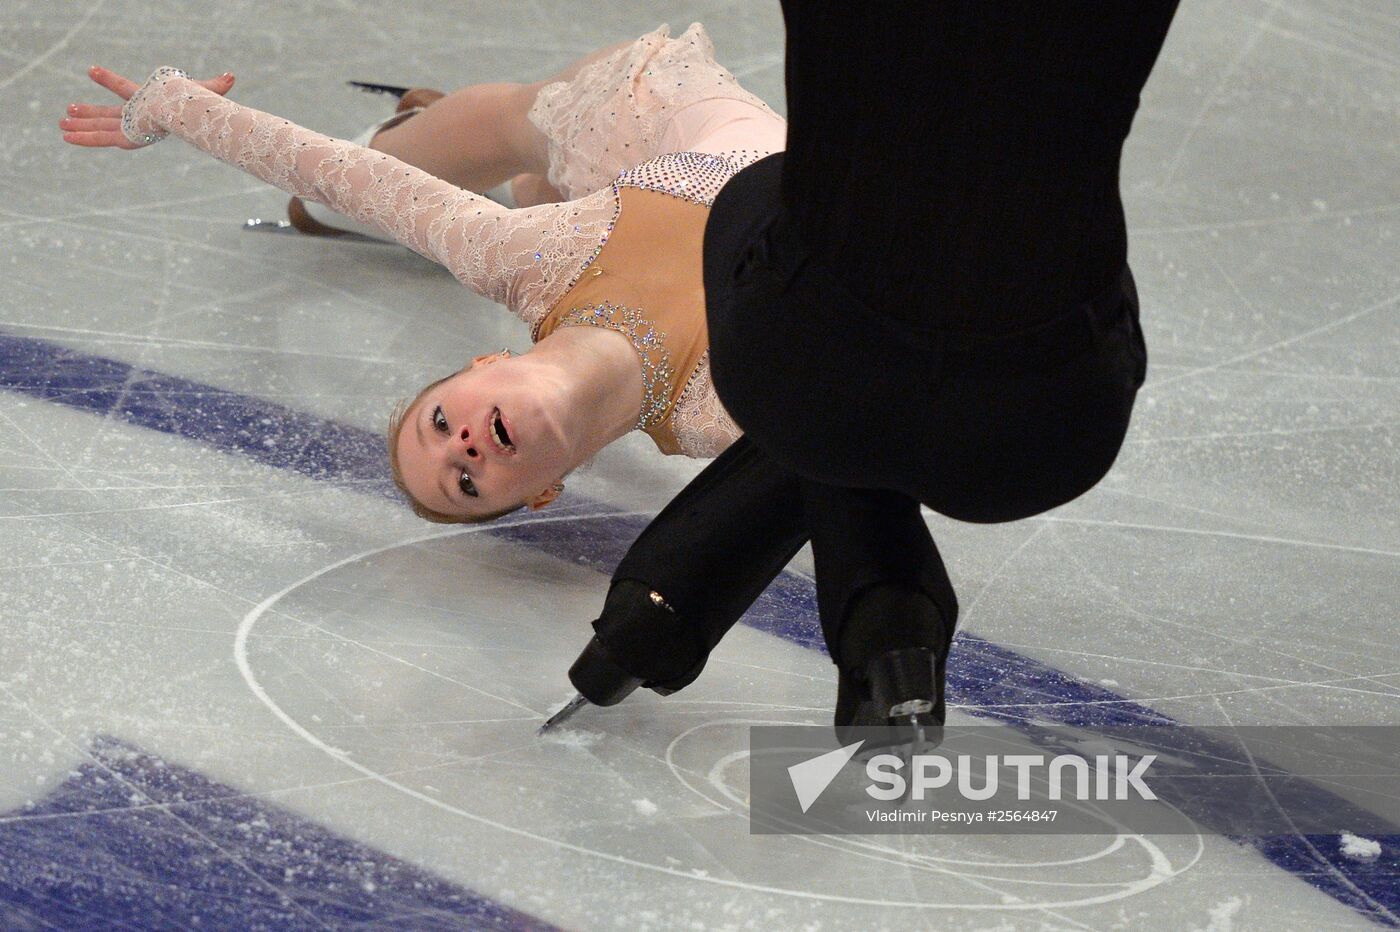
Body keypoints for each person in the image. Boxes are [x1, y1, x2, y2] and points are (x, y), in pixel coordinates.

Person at [558, 2, 1183, 743]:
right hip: (1043, 424)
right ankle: (843, 624)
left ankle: (696, 618)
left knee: (767, 215)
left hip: (805, 371)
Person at [60, 24, 784, 523]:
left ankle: (418, 132)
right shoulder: (728, 418)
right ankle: (538, 180)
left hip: (652, 124)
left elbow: (347, 176)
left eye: (440, 421)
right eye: (465, 482)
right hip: (812, 182)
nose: (462, 447)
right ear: (544, 493)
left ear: (485, 361)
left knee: (516, 123)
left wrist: (176, 108)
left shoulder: (532, 262)